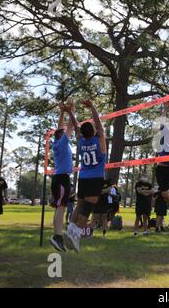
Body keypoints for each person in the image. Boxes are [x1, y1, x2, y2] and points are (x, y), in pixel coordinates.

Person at [63, 99, 106, 253]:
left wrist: (70, 112)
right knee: (86, 209)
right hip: (95, 178)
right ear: (94, 131)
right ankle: (74, 237)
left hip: (83, 177)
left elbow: (75, 126)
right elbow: (98, 123)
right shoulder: (99, 139)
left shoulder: (81, 141)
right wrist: (93, 106)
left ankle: (69, 232)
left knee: (79, 205)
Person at [49, 100, 75, 251]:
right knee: (61, 208)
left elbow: (60, 127)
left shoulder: (56, 143)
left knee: (60, 207)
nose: (66, 131)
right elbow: (70, 126)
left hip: (59, 178)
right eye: (64, 132)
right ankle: (57, 237)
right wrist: (71, 110)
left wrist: (62, 112)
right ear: (62, 135)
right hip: (61, 179)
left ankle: (57, 236)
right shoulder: (63, 142)